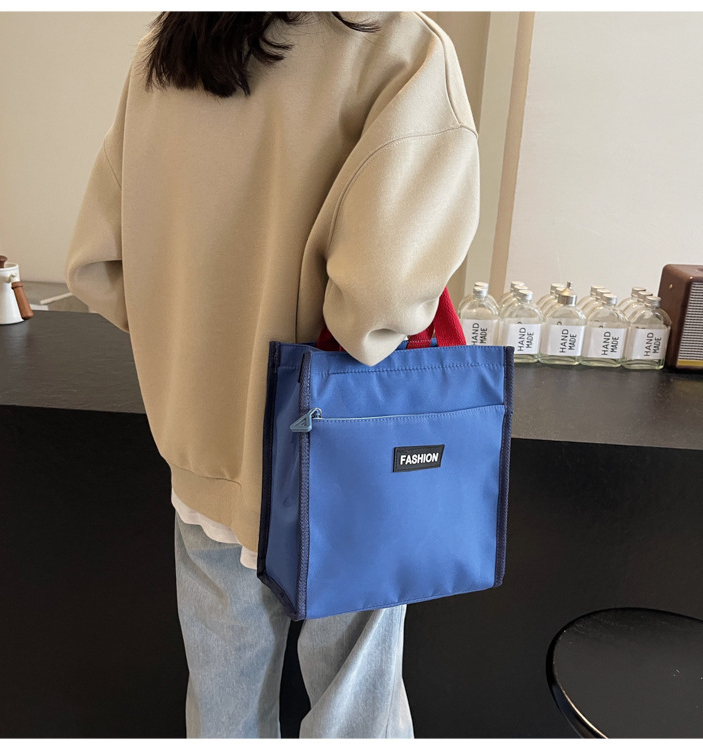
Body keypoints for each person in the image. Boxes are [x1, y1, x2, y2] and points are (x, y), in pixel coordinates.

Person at [65, 11, 479, 739]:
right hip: (337, 454)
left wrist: (188, 345)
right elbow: (380, 297)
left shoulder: (171, 47)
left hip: (201, 455)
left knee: (222, 704)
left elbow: (99, 265)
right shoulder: (400, 48)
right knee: (355, 711)